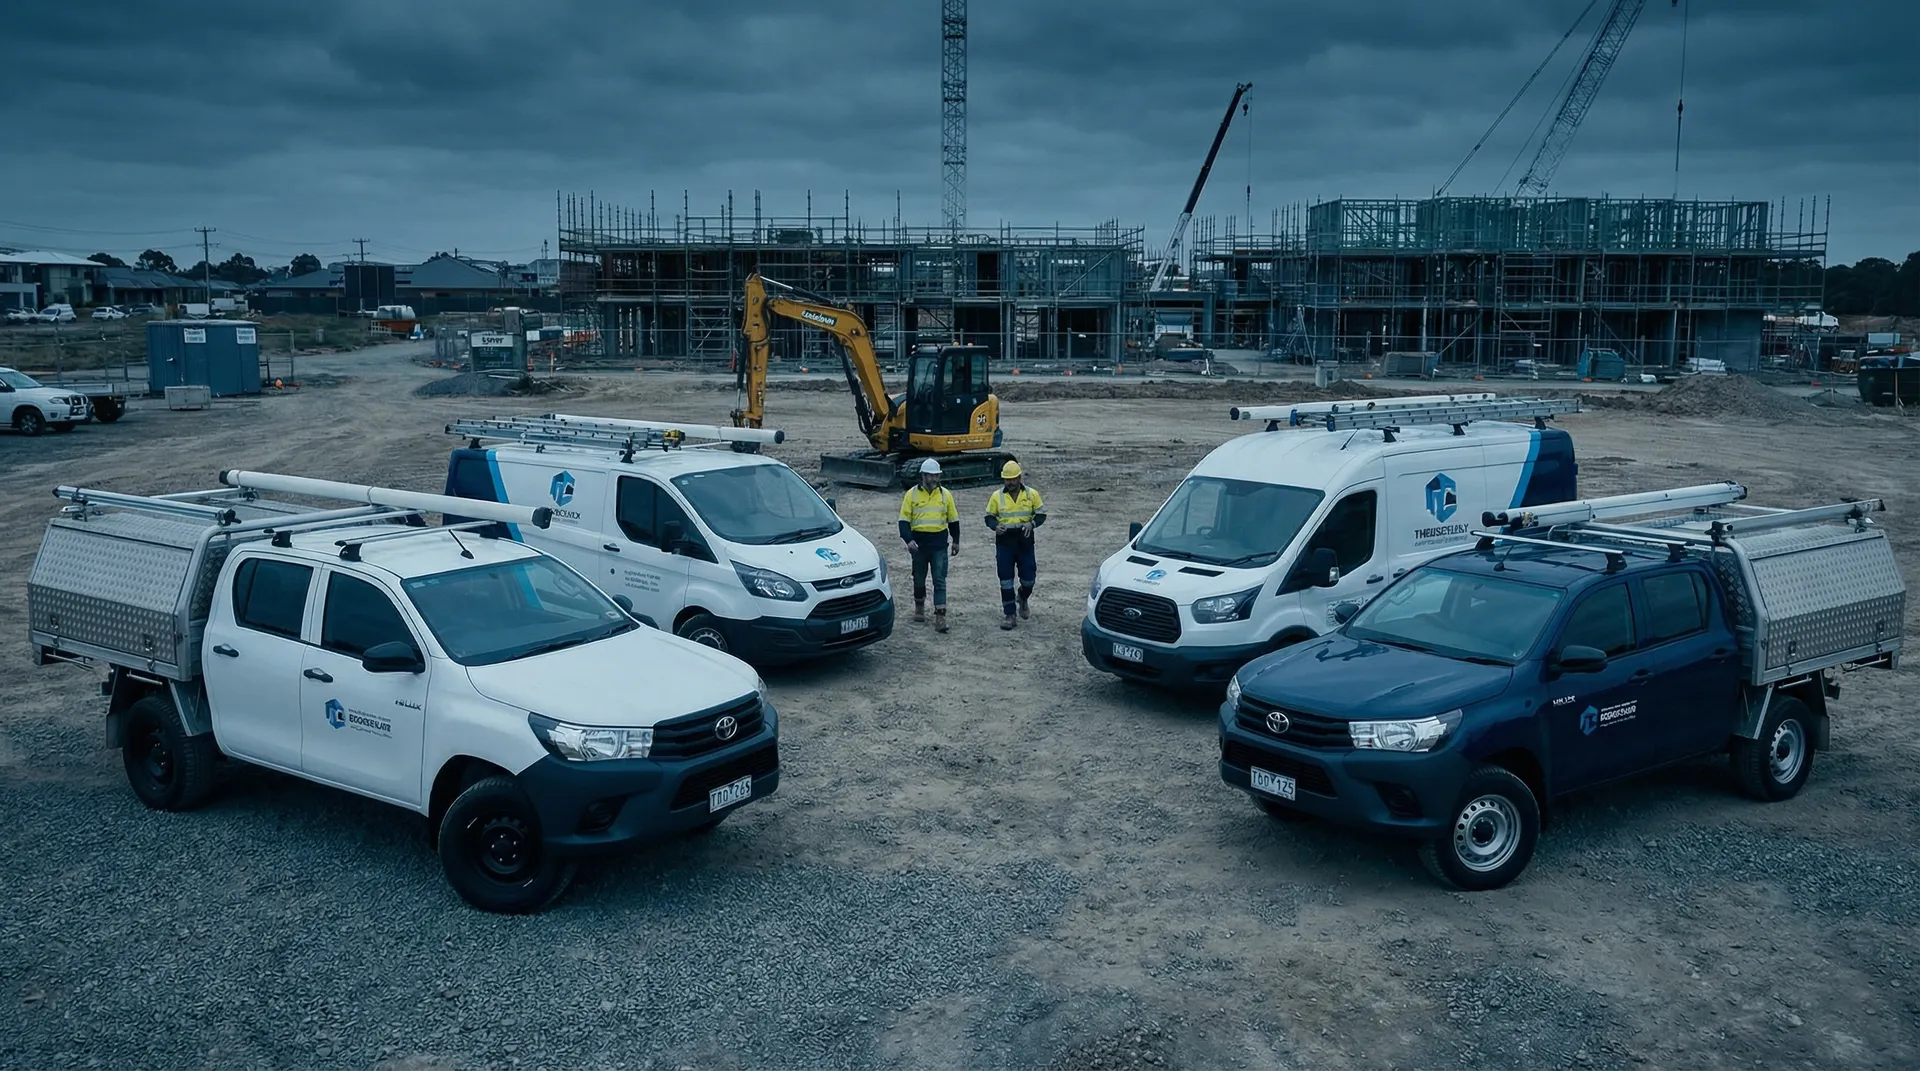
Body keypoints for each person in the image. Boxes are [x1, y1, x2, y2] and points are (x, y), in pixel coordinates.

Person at [898, 458, 960, 633]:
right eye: (930, 476)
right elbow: (903, 521)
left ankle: (940, 617)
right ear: (923, 476)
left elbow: (953, 520)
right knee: (919, 578)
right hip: (919, 545)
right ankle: (919, 607)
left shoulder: (945, 495)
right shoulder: (911, 495)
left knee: (939, 580)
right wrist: (908, 540)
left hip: (939, 545)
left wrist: (956, 541)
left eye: (936, 476)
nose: (934, 479)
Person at [984, 460, 1046, 630]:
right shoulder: (997, 496)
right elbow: (989, 517)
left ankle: (1023, 597)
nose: (1009, 483)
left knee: (1029, 578)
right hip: (1005, 542)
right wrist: (994, 526)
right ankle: (1009, 614)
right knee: (1005, 579)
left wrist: (1032, 524)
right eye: (1007, 480)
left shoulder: (1031, 494)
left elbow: (1041, 514)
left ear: (1019, 478)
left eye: (1012, 479)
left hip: (1024, 541)